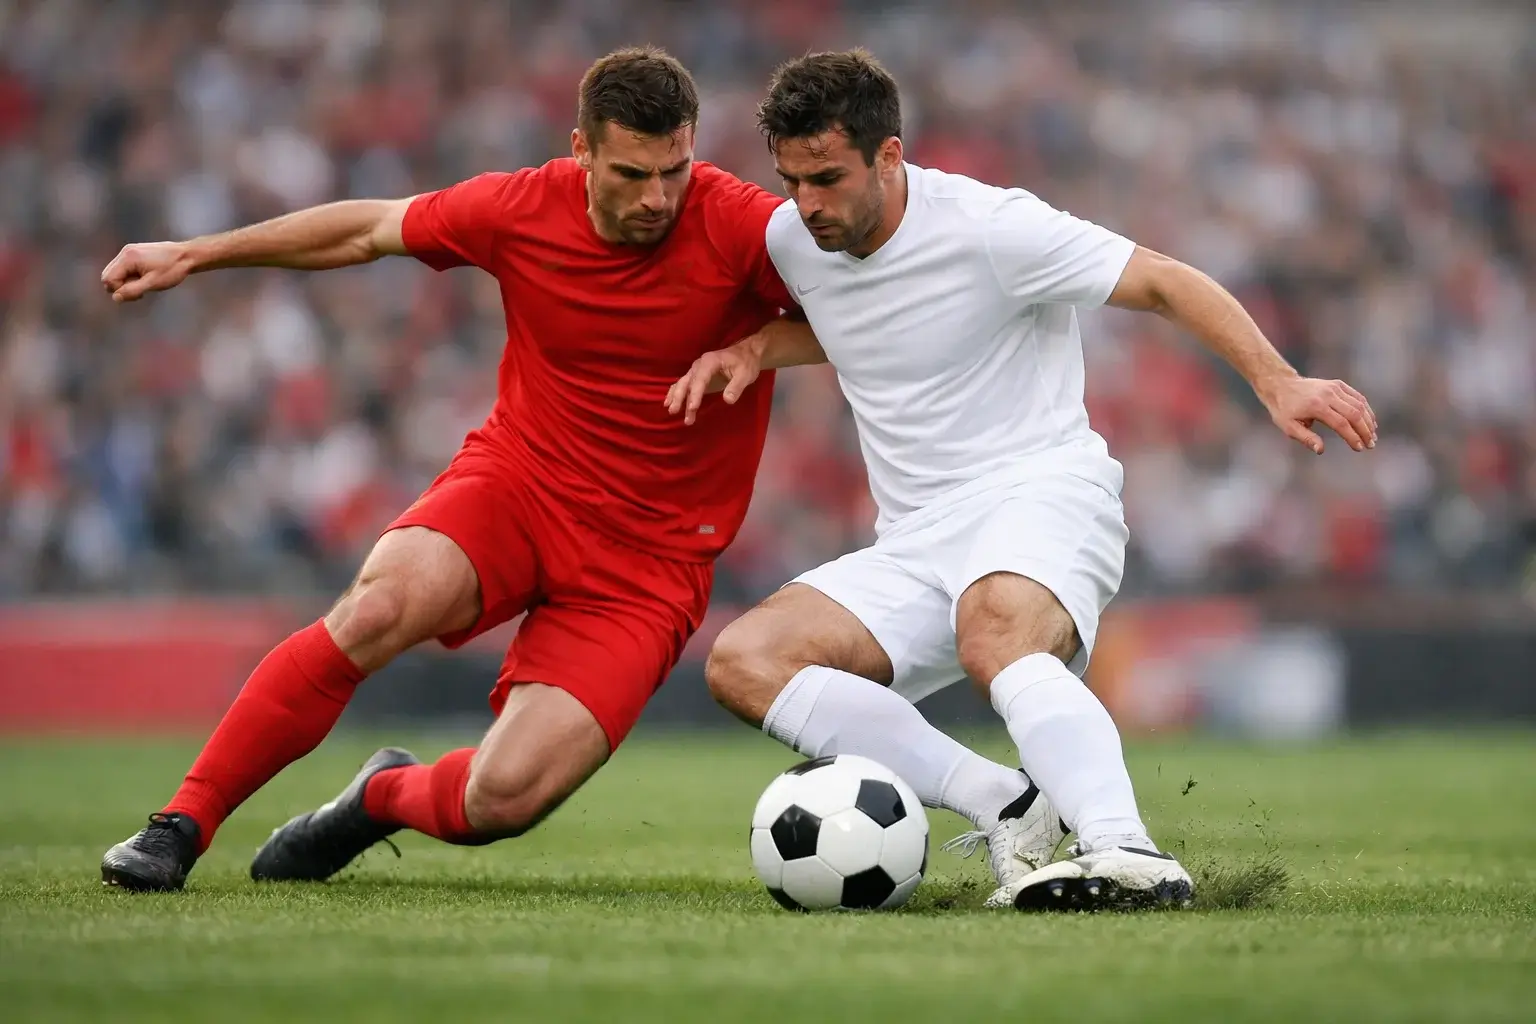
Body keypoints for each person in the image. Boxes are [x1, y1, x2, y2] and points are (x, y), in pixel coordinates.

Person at [97, 47, 829, 892]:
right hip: (521, 486)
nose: (658, 197)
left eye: (676, 169)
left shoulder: (742, 224)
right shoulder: (519, 206)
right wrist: (196, 253)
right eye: (632, 173)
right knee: (379, 609)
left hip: (649, 563)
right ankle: (180, 826)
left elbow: (869, 313)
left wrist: (756, 345)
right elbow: (366, 229)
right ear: (581, 150)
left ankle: (379, 797)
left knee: (504, 798)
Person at [669, 49, 1378, 912]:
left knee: (996, 634)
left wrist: (1276, 380)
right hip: (917, 538)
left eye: (827, 178)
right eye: (791, 181)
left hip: (1041, 495)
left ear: (890, 157)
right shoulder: (797, 237)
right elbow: (864, 325)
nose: (808, 203)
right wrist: (755, 347)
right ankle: (1009, 802)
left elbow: (1161, 279)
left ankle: (1125, 850)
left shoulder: (994, 228)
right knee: (746, 661)